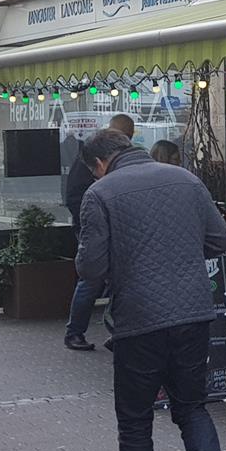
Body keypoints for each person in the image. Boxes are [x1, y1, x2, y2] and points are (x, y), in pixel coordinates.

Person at [74, 127, 226, 451]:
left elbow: (90, 269)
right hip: (194, 315)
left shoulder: (100, 194)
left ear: (99, 164)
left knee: (135, 424)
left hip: (139, 322)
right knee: (193, 409)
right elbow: (221, 241)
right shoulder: (186, 179)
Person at [63, 113, 135, 351]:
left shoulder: (97, 157)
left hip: (103, 225)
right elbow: (75, 197)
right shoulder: (96, 158)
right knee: (91, 281)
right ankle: (75, 332)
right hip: (95, 226)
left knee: (107, 279)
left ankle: (114, 331)